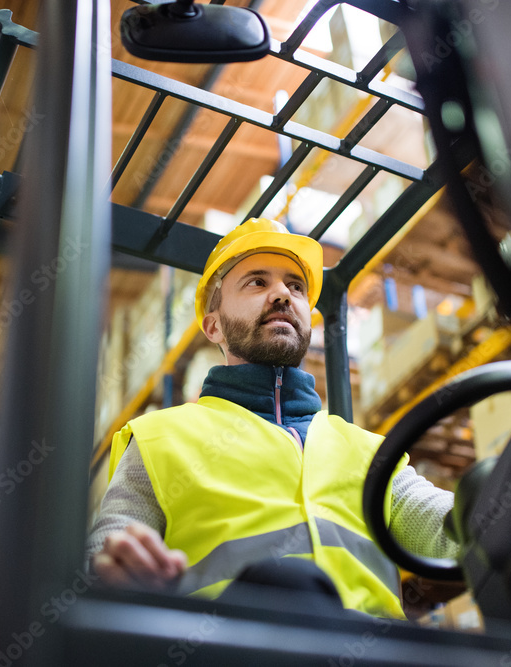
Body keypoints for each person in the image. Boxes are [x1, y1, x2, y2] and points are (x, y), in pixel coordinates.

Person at [87, 218, 458, 618]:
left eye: (295, 286)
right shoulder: (159, 439)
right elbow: (106, 553)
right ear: (213, 326)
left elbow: (449, 528)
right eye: (257, 282)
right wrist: (121, 571)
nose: (282, 294)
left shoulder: (369, 451)